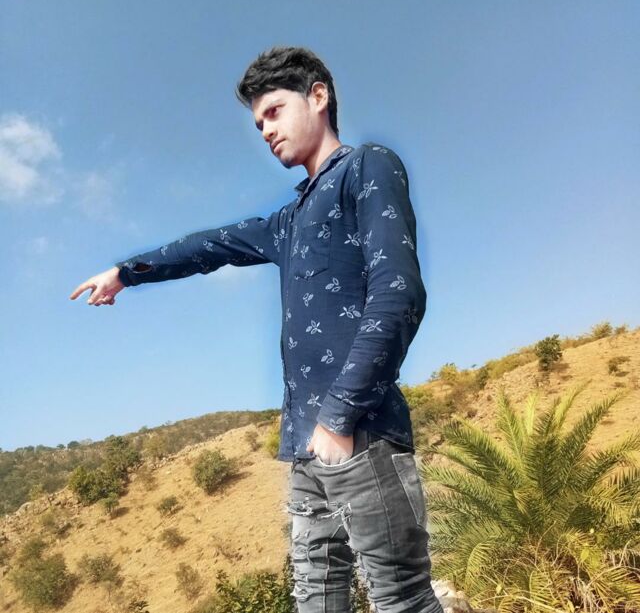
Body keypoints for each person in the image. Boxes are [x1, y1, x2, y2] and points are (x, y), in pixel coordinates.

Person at [69, 46, 443, 613]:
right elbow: (209, 246)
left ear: (318, 96)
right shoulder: (287, 221)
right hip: (305, 448)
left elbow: (398, 293)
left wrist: (340, 416)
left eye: (273, 111)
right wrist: (127, 272)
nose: (265, 130)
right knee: (315, 599)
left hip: (360, 432)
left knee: (401, 600)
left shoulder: (367, 167)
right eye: (258, 122)